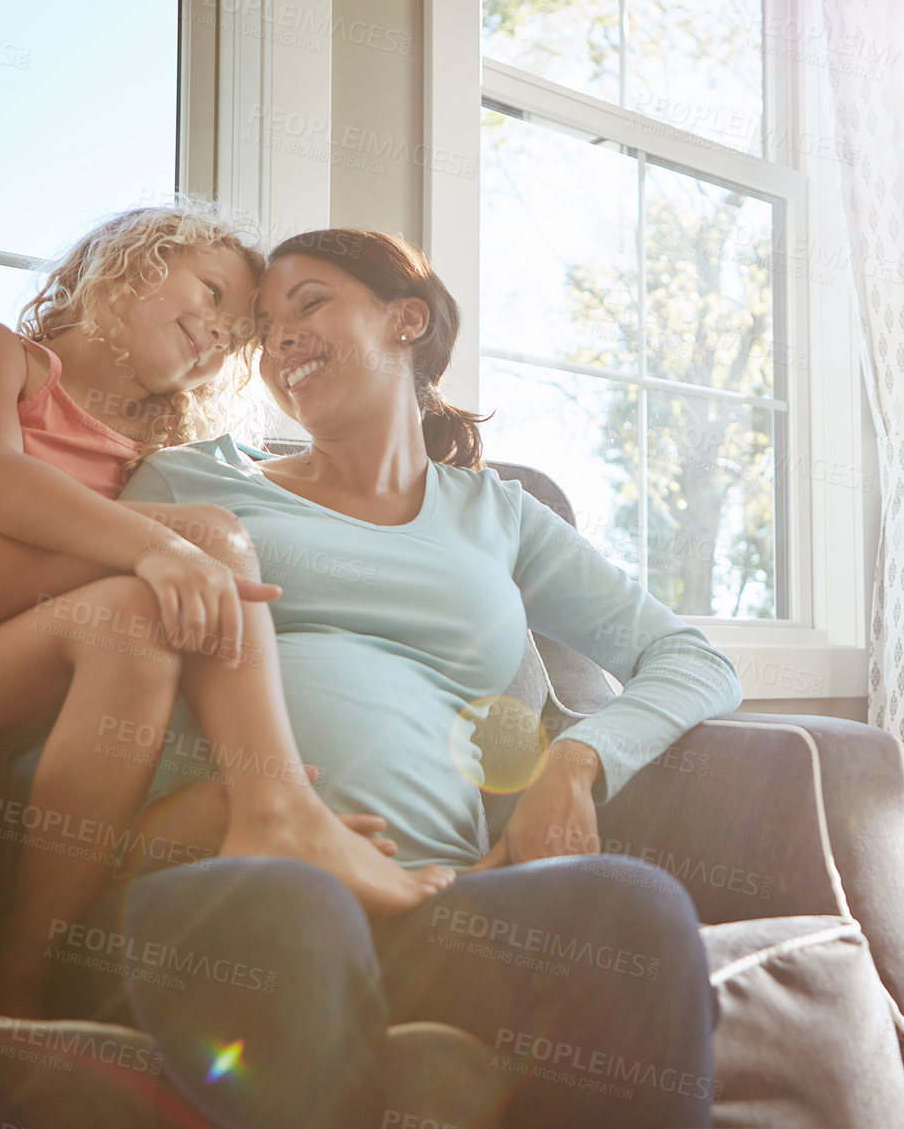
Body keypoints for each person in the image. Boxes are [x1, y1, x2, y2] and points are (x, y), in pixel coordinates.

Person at [96, 228, 743, 1128]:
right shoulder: (185, 481)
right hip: (240, 873)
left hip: (439, 899)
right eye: (263, 325)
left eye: (309, 302)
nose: (279, 336)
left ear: (408, 320)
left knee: (629, 906)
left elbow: (692, 658)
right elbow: (102, 662)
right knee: (282, 909)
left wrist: (575, 764)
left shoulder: (496, 514)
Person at [0, 205, 451, 1019]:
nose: (214, 331)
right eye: (209, 292)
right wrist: (159, 546)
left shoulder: (152, 461)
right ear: (129, 261)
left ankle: (25, 975)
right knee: (208, 538)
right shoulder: (0, 353)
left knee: (133, 623)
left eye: (233, 335)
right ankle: (275, 802)